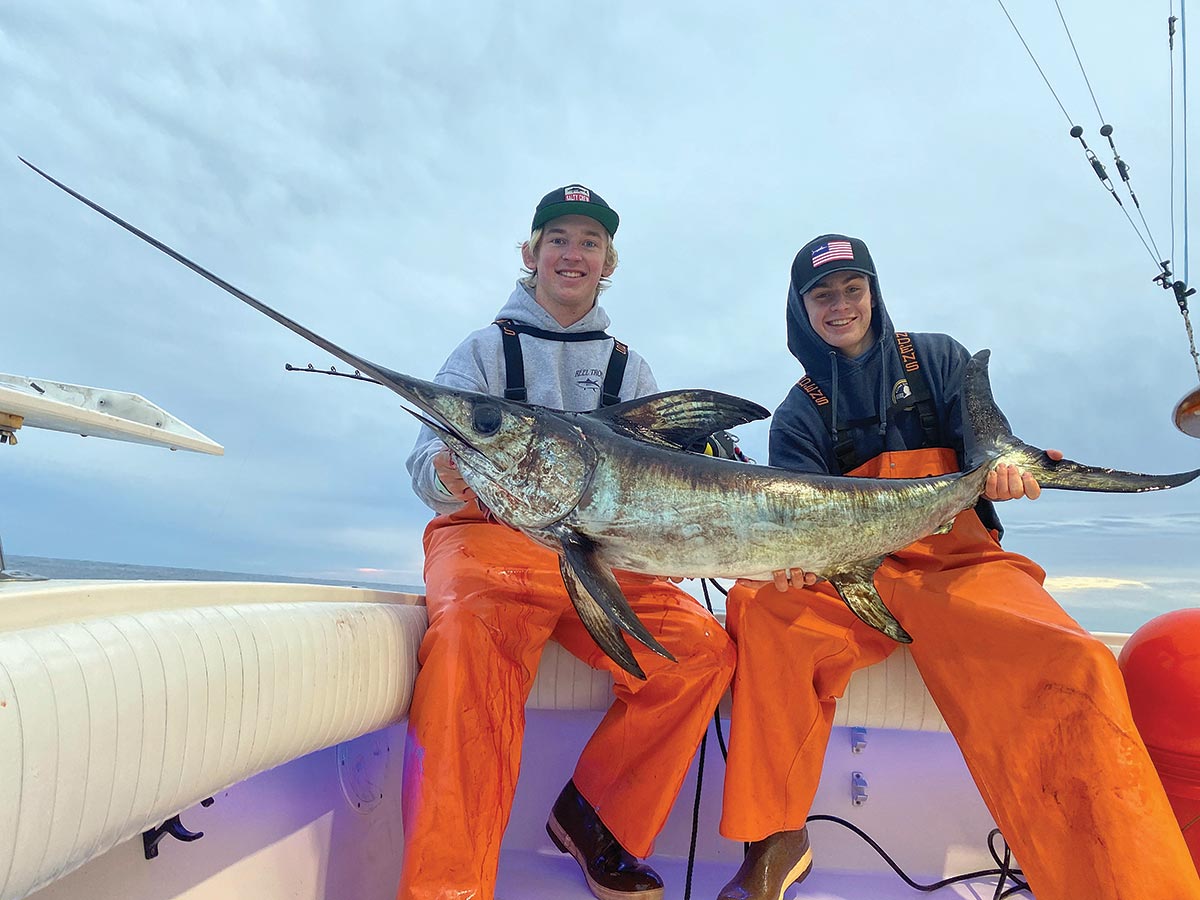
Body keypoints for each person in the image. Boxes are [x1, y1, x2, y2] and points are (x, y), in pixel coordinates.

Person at [715, 234, 1200, 900]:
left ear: (873, 292)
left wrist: (998, 472)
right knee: (763, 612)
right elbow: (805, 526)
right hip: (854, 574)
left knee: (1077, 660)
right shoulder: (799, 412)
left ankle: (1115, 880)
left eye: (853, 288)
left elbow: (982, 441)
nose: (840, 304)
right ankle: (774, 834)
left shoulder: (937, 358)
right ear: (801, 308)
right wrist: (795, 563)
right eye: (823, 294)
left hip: (957, 559)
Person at [398, 185, 736, 900]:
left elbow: (658, 481)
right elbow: (423, 462)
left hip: (596, 552)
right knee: (466, 659)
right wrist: (448, 471)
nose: (572, 254)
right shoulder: (486, 349)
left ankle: (595, 822)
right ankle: (448, 888)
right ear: (531, 254)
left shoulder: (627, 367)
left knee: (701, 653)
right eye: (558, 239)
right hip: (491, 546)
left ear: (607, 262)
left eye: (589, 242)